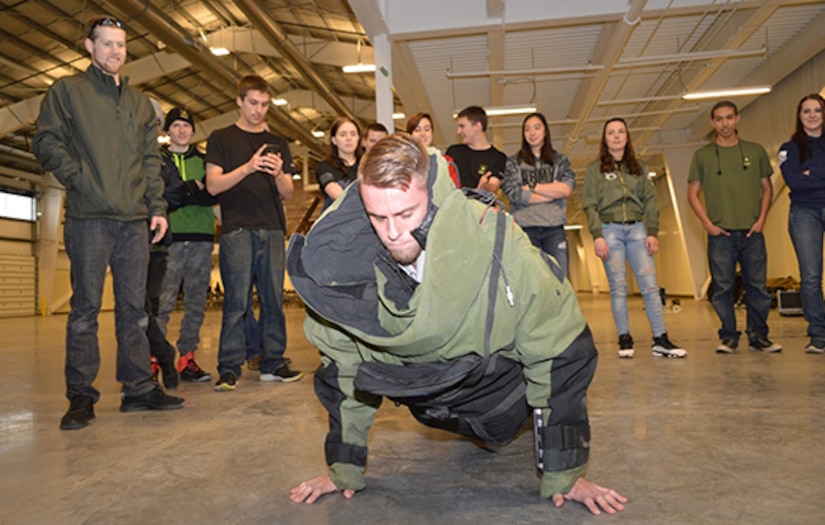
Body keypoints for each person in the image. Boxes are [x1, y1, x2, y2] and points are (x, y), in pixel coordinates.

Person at [287, 133, 627, 515]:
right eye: (377, 217)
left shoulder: (504, 249)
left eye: (405, 214)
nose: (393, 232)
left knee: (547, 352)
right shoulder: (347, 278)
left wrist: (565, 475)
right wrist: (343, 469)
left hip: (506, 399)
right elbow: (343, 373)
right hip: (431, 405)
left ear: (433, 197)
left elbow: (559, 351)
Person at [33, 15, 184, 430]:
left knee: (135, 310)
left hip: (134, 220)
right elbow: (45, 140)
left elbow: (150, 161)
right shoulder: (67, 92)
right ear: (89, 46)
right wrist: (79, 179)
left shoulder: (138, 104)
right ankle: (81, 395)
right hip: (89, 218)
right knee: (84, 310)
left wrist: (157, 207)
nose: (115, 51)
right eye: (106, 44)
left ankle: (137, 388)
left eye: (120, 45)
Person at [205, 74, 302, 391]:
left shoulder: (279, 144)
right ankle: (229, 367)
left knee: (274, 299)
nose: (259, 110)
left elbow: (288, 193)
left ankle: (273, 362)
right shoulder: (221, 138)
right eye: (253, 103)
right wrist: (248, 167)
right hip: (237, 231)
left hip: (273, 229)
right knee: (236, 302)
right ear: (239, 101)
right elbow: (213, 185)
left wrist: (277, 174)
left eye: (264, 105)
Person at [582, 118, 685, 359]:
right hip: (610, 230)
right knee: (619, 287)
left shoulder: (639, 167)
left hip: (638, 230)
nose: (616, 136)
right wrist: (597, 235)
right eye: (611, 132)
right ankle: (624, 338)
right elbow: (589, 204)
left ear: (627, 137)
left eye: (620, 132)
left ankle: (660, 338)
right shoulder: (594, 170)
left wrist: (652, 232)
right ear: (605, 138)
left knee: (650, 286)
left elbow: (650, 200)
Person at [688, 101, 782, 354]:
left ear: (737, 119)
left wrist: (762, 219)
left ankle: (758, 337)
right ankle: (729, 336)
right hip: (721, 235)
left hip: (753, 232)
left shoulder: (756, 151)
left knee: (758, 288)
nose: (725, 123)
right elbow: (692, 193)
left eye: (729, 118)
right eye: (719, 119)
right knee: (723, 289)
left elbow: (767, 188)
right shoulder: (703, 156)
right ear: (712, 123)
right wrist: (708, 225)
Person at [157, 107, 218, 383]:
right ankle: (155, 357)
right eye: (176, 125)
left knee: (195, 301)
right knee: (163, 301)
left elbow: (211, 195)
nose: (182, 130)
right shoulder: (158, 160)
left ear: (193, 130)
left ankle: (187, 357)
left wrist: (181, 192)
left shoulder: (206, 161)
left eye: (186, 126)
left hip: (202, 237)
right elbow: (160, 195)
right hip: (169, 238)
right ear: (167, 130)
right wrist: (191, 189)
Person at [778, 93, 825, 354]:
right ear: (799, 116)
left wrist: (813, 172)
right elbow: (794, 181)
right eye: (806, 111)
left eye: (817, 110)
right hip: (804, 213)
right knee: (811, 277)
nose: (812, 115)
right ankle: (818, 334)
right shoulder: (789, 149)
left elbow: (804, 177)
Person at [502, 112, 575, 277]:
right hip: (525, 229)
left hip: (554, 228)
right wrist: (552, 192)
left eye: (537, 128)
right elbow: (514, 194)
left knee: (560, 282)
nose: (532, 133)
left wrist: (532, 186)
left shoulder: (560, 161)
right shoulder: (514, 162)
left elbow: (566, 189)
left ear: (545, 131)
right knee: (530, 282)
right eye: (527, 129)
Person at [445, 105, 506, 193]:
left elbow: (494, 185)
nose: (458, 132)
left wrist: (484, 188)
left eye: (462, 126)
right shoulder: (453, 152)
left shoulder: (498, 158)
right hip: (456, 205)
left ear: (477, 126)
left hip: (482, 206)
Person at [316, 117, 362, 210]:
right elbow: (337, 195)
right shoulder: (324, 167)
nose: (349, 138)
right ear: (334, 140)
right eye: (343, 134)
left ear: (358, 138)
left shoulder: (368, 166)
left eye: (353, 134)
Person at [407, 112, 460, 187]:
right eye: (417, 130)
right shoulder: (404, 162)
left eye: (427, 129)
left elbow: (455, 191)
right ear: (409, 135)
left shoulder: (446, 162)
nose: (422, 133)